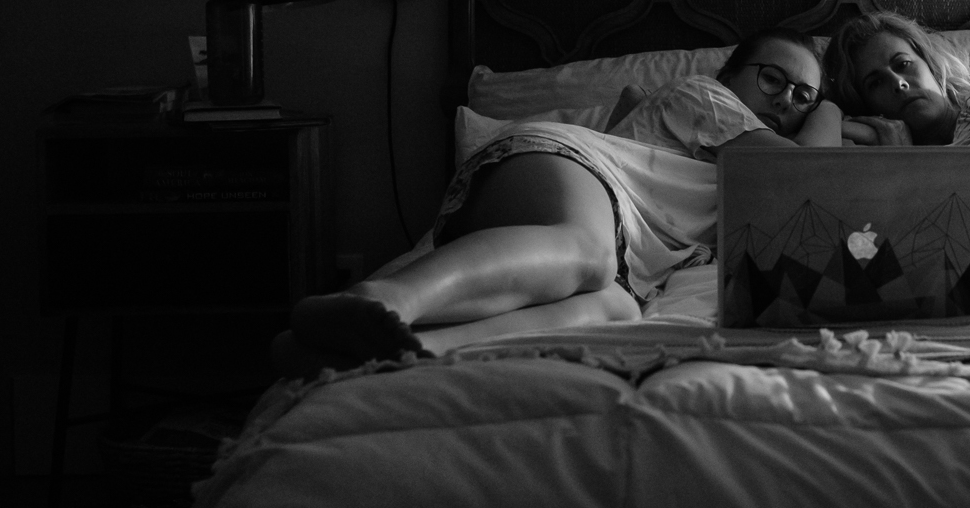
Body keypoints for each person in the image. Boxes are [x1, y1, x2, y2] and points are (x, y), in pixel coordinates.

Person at [280, 29, 840, 372]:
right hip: (566, 166)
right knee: (585, 253)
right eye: (772, 78)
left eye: (803, 96)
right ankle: (381, 298)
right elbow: (807, 173)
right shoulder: (705, 95)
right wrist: (832, 115)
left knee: (616, 311)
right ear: (729, 75)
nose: (787, 99)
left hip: (625, 252)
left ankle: (409, 351)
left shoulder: (745, 184)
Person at [823, 12, 970, 195]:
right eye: (875, 83)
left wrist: (902, 162)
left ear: (931, 64)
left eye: (903, 64)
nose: (898, 83)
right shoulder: (882, 157)